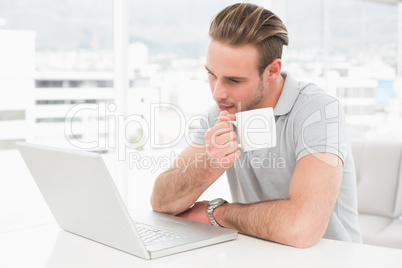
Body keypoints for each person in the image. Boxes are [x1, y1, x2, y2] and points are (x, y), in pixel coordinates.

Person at [150, 3, 362, 248]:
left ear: (272, 70)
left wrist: (217, 214)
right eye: (212, 74)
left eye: (234, 80)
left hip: (332, 259)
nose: (218, 93)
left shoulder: (318, 112)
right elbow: (161, 201)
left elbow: (301, 229)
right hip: (260, 252)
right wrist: (209, 164)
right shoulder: (222, 111)